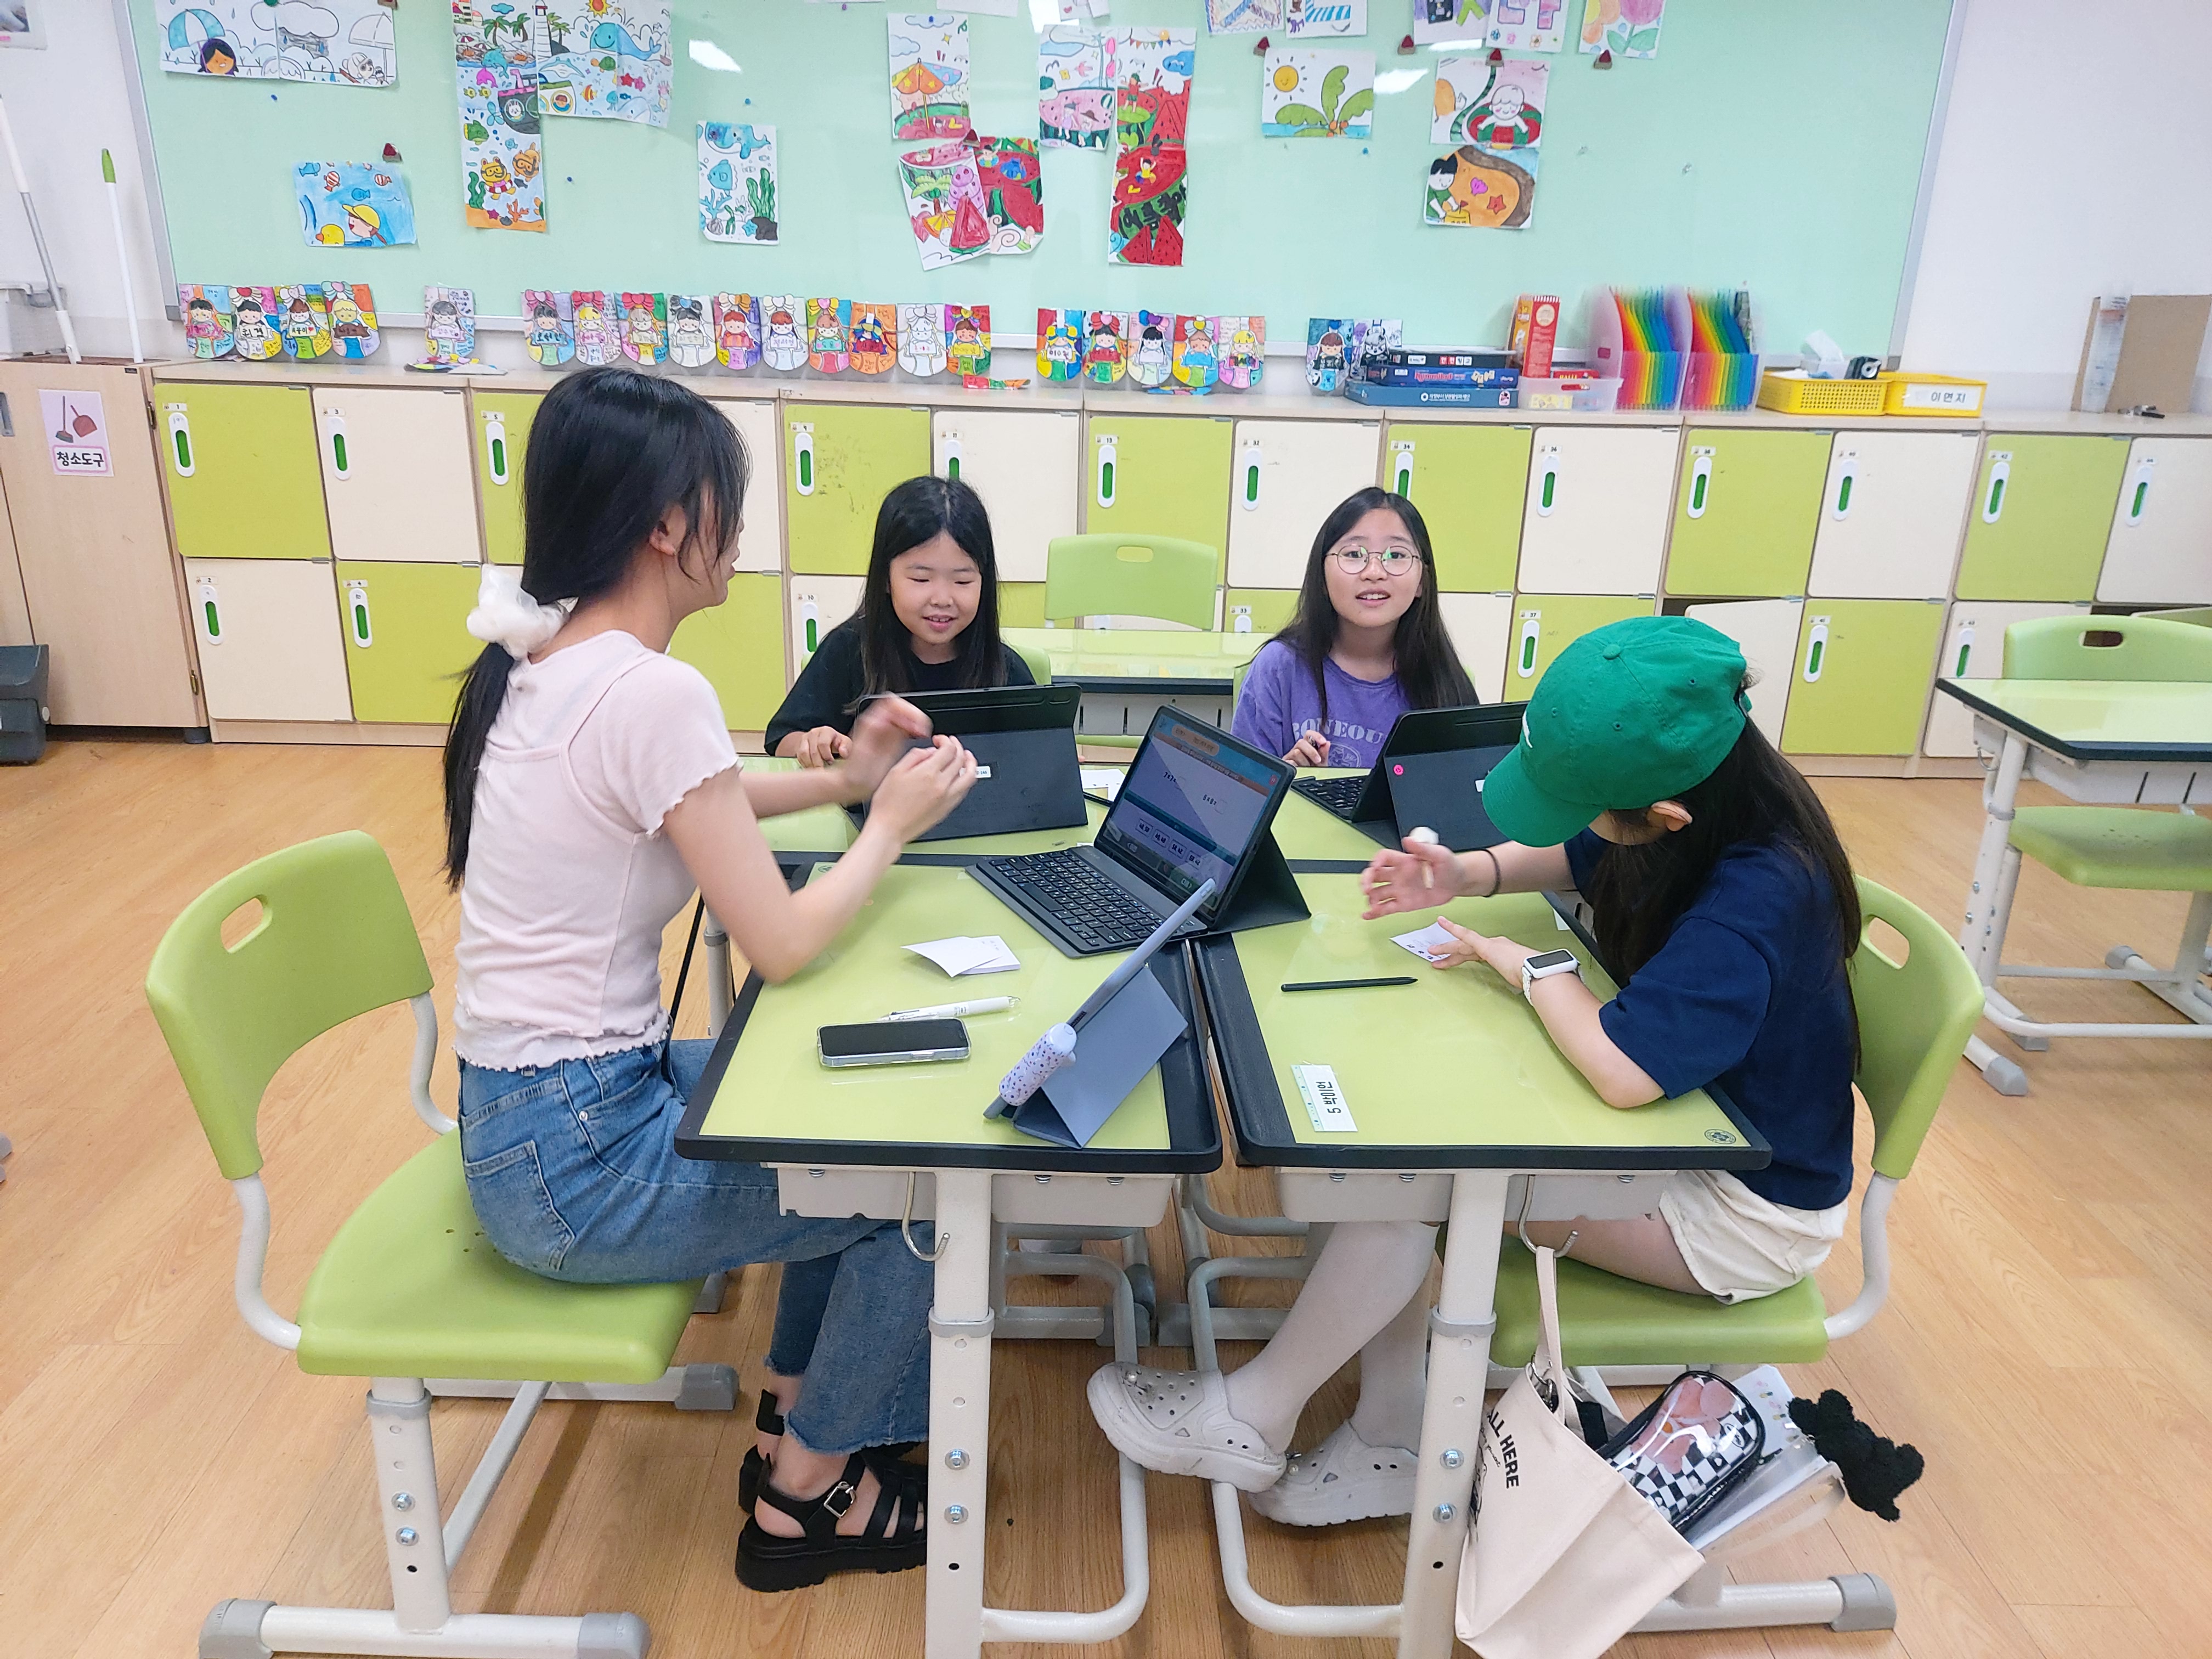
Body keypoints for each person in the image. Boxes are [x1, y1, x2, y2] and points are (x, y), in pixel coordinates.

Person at [1090, 616, 1862, 1526]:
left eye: (1586, 806)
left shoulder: (1755, 896)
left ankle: (1256, 1414)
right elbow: (1574, 851)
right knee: (1418, 1156)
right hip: (1691, 1126)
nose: (1577, 827)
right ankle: (1392, 1430)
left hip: (1734, 1211)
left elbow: (1621, 1068)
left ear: (1666, 818)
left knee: (1426, 1174)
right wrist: (1463, 873)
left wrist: (1522, 964)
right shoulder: (1707, 802)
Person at [443, 366, 979, 1588]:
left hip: (539, 1114)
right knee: (931, 1182)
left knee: (828, 1108)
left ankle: (795, 1409)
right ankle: (806, 1499)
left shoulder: (551, 657)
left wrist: (846, 785)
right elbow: (784, 943)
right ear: (671, 524)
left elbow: (707, 796)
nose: (739, 533)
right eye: (726, 505)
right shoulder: (651, 688)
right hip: (576, 1157)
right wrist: (889, 825)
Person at [766, 475, 1035, 766]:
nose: (942, 598)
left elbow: (1042, 744)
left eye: (962, 581)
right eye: (921, 578)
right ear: (885, 578)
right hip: (873, 809)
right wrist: (814, 741)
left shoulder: (1003, 667)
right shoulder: (849, 649)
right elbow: (783, 740)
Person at [1232, 487, 1477, 771]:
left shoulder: (1444, 684)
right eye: (1353, 553)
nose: (1374, 572)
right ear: (1321, 577)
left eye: (1396, 555)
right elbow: (1244, 798)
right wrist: (1288, 780)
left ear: (1422, 579)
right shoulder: (1279, 668)